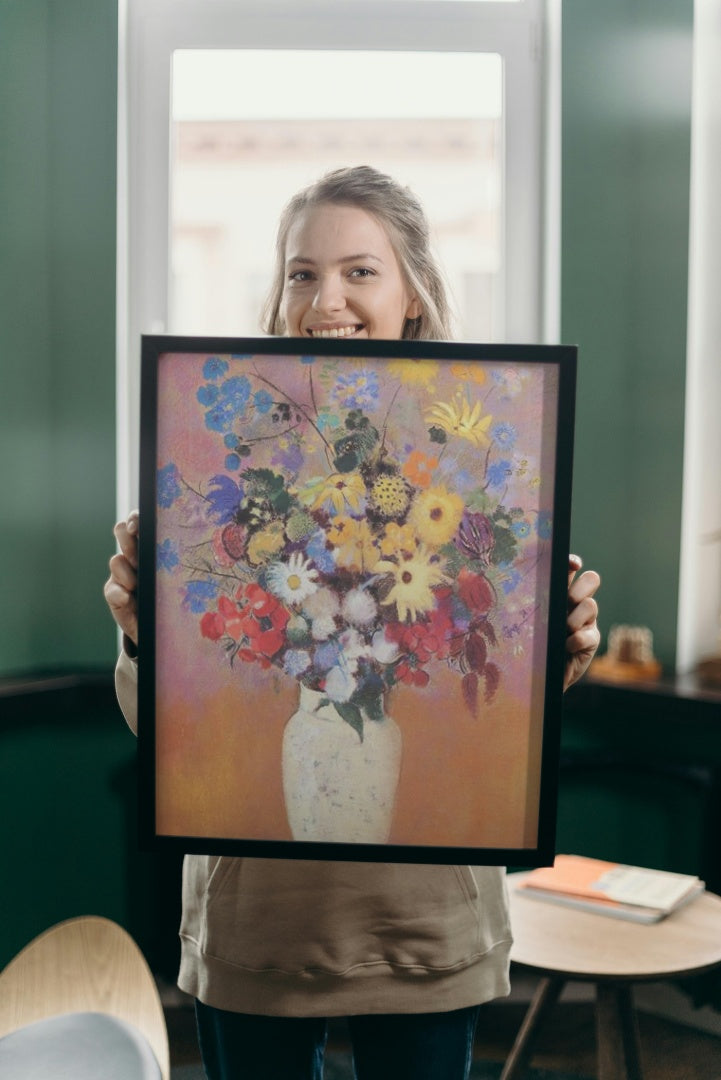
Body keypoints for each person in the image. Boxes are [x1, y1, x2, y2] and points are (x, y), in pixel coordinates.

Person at [105, 166, 601, 1080]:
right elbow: (164, 727)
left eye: (358, 271)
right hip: (258, 922)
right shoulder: (222, 455)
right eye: (301, 272)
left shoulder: (482, 450)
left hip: (423, 922)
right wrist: (145, 635)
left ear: (412, 292)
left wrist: (558, 648)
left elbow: (490, 704)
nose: (324, 298)